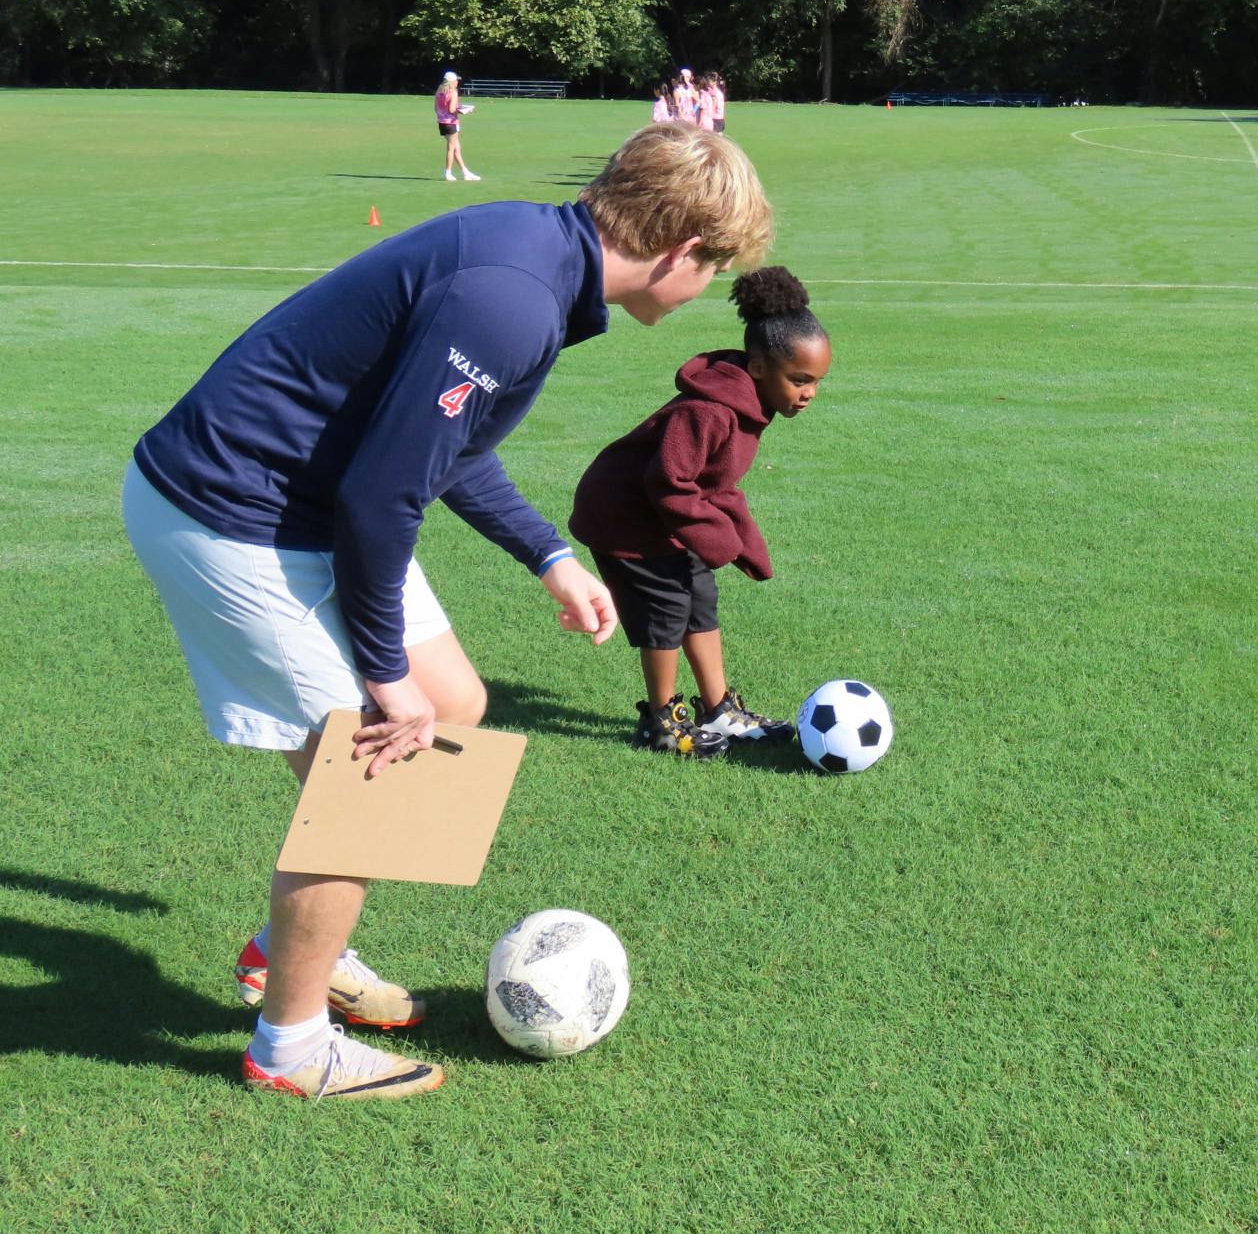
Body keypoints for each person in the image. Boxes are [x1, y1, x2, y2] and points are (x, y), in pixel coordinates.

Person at [122, 122, 774, 1101]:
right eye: (710, 271)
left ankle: (286, 953)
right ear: (681, 252)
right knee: (375, 781)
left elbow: (449, 448)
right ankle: (289, 1048)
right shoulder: (513, 300)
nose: (700, 293)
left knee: (453, 706)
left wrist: (548, 555)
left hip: (296, 504)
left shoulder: (541, 258)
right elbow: (380, 497)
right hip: (230, 511)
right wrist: (382, 678)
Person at [568, 267, 829, 758]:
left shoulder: (752, 407)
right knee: (666, 609)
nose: (809, 392)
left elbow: (718, 485)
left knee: (699, 597)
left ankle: (719, 711)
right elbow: (668, 482)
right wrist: (721, 541)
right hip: (623, 516)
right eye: (799, 379)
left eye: (816, 381)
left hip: (662, 512)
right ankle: (661, 723)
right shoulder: (708, 411)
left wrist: (745, 545)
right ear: (757, 368)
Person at [434, 71, 480, 182]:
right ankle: (448, 173)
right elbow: (452, 109)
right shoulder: (453, 92)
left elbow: (436, 108)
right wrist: (466, 110)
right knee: (451, 148)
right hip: (451, 123)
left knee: (456, 149)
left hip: (442, 123)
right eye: (456, 80)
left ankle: (465, 172)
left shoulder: (439, 90)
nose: (457, 82)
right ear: (452, 81)